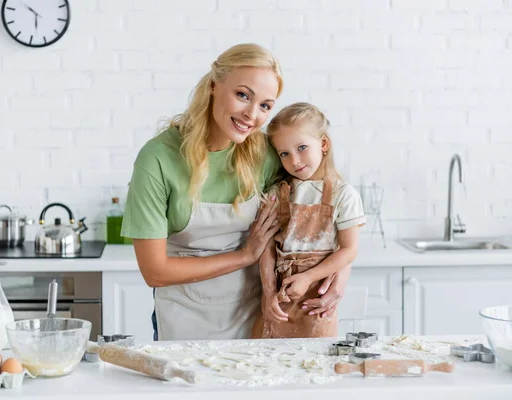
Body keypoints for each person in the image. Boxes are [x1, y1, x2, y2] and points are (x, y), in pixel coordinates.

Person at [121, 44, 351, 341]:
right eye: (243, 95)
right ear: (214, 85)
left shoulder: (267, 154)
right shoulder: (158, 159)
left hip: (258, 313)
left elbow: (327, 213)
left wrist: (340, 276)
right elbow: (155, 271)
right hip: (184, 316)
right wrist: (245, 255)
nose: (252, 115)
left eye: (266, 106)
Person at [251, 102, 366, 339]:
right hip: (279, 295)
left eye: (302, 147)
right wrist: (270, 291)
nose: (294, 160)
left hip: (315, 299)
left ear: (323, 144)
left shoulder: (343, 195)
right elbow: (267, 248)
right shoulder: (277, 193)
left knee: (314, 363)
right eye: (284, 153)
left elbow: (348, 250)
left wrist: (307, 277)